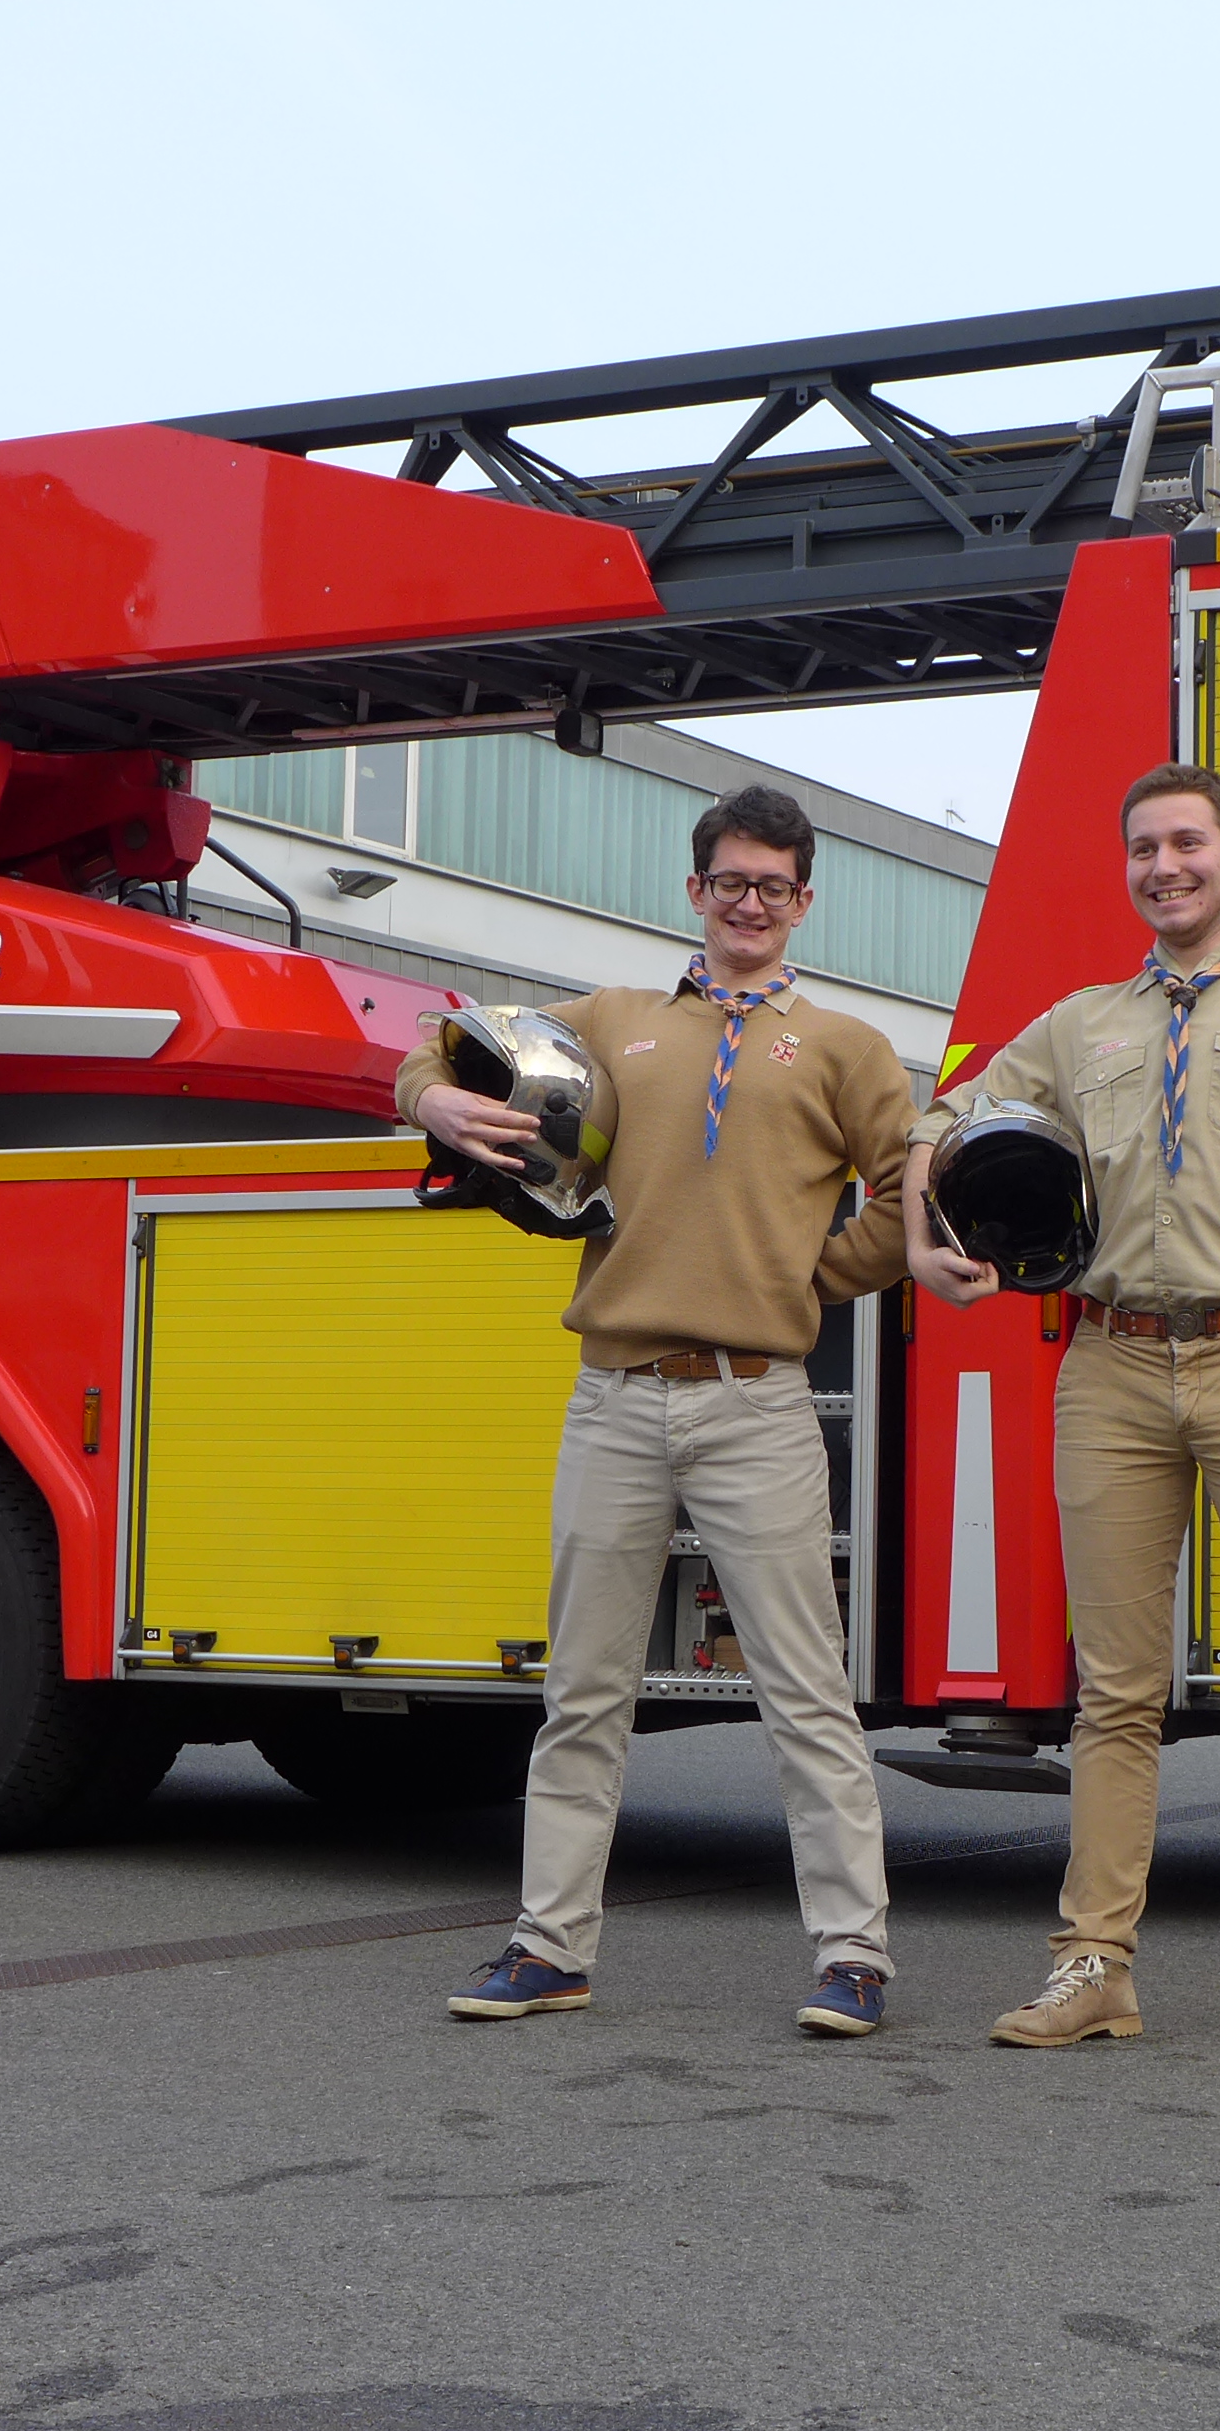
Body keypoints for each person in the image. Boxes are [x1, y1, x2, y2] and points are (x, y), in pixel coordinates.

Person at [902, 761, 1220, 2067]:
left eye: (1188, 843)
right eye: (1143, 848)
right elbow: (942, 1121)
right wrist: (925, 1241)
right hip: (1112, 1368)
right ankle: (1093, 1967)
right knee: (1115, 1696)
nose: (1164, 867)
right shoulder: (1082, 1027)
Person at [406, 782, 910, 2038]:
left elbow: (911, 1189)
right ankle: (548, 1949)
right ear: (695, 891)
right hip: (615, 1399)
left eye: (773, 887)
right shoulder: (614, 1019)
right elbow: (443, 1042)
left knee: (805, 1693)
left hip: (756, 1404)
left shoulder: (845, 1048)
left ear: (803, 903)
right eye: (730, 882)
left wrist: (813, 1277)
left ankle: (852, 1957)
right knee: (584, 1691)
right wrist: (428, 1100)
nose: (750, 904)